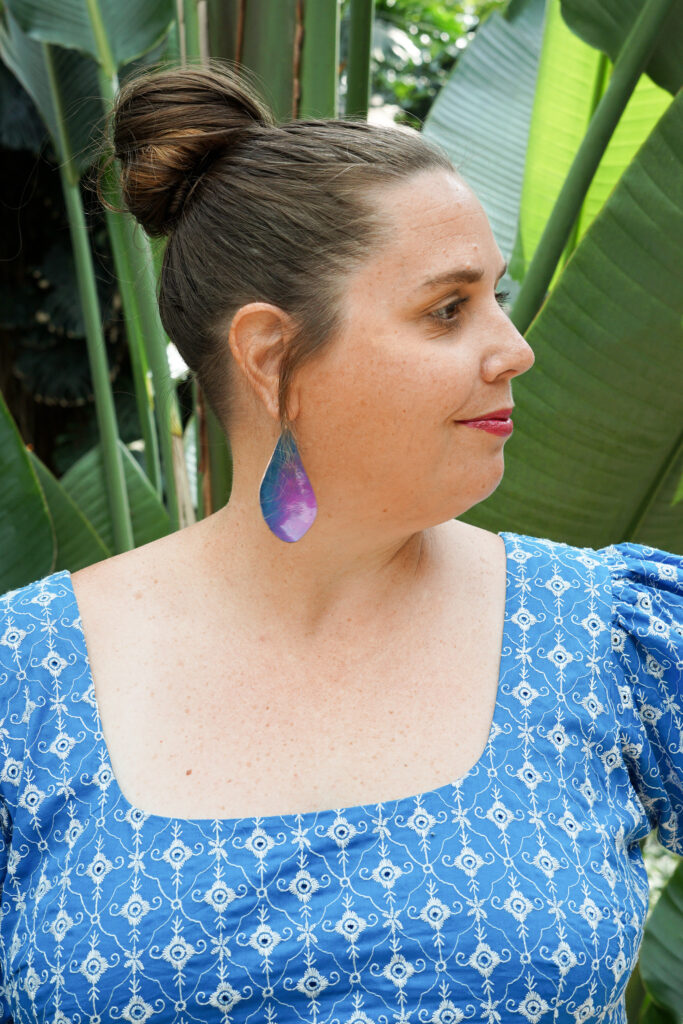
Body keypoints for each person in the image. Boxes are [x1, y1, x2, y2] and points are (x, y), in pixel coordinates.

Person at [0, 60, 681, 1023]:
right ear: (271, 356)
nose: (514, 347)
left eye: (496, 296)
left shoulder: (609, 636)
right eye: (449, 309)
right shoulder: (21, 680)